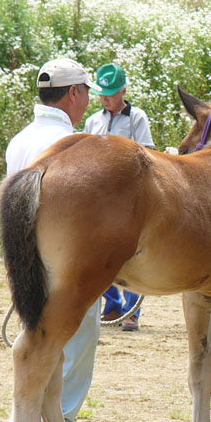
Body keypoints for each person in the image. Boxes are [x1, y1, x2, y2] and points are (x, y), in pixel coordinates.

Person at [5, 57, 102, 422]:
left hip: (27, 258)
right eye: (86, 94)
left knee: (37, 344)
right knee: (69, 348)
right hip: (68, 259)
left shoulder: (19, 140)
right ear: (75, 93)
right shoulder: (75, 142)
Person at [84, 63, 154, 332]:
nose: (106, 99)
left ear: (123, 90)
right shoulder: (93, 121)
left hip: (126, 196)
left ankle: (131, 310)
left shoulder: (137, 118)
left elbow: (146, 152)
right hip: (99, 196)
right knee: (99, 252)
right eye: (102, 94)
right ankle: (111, 303)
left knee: (130, 252)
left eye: (111, 94)